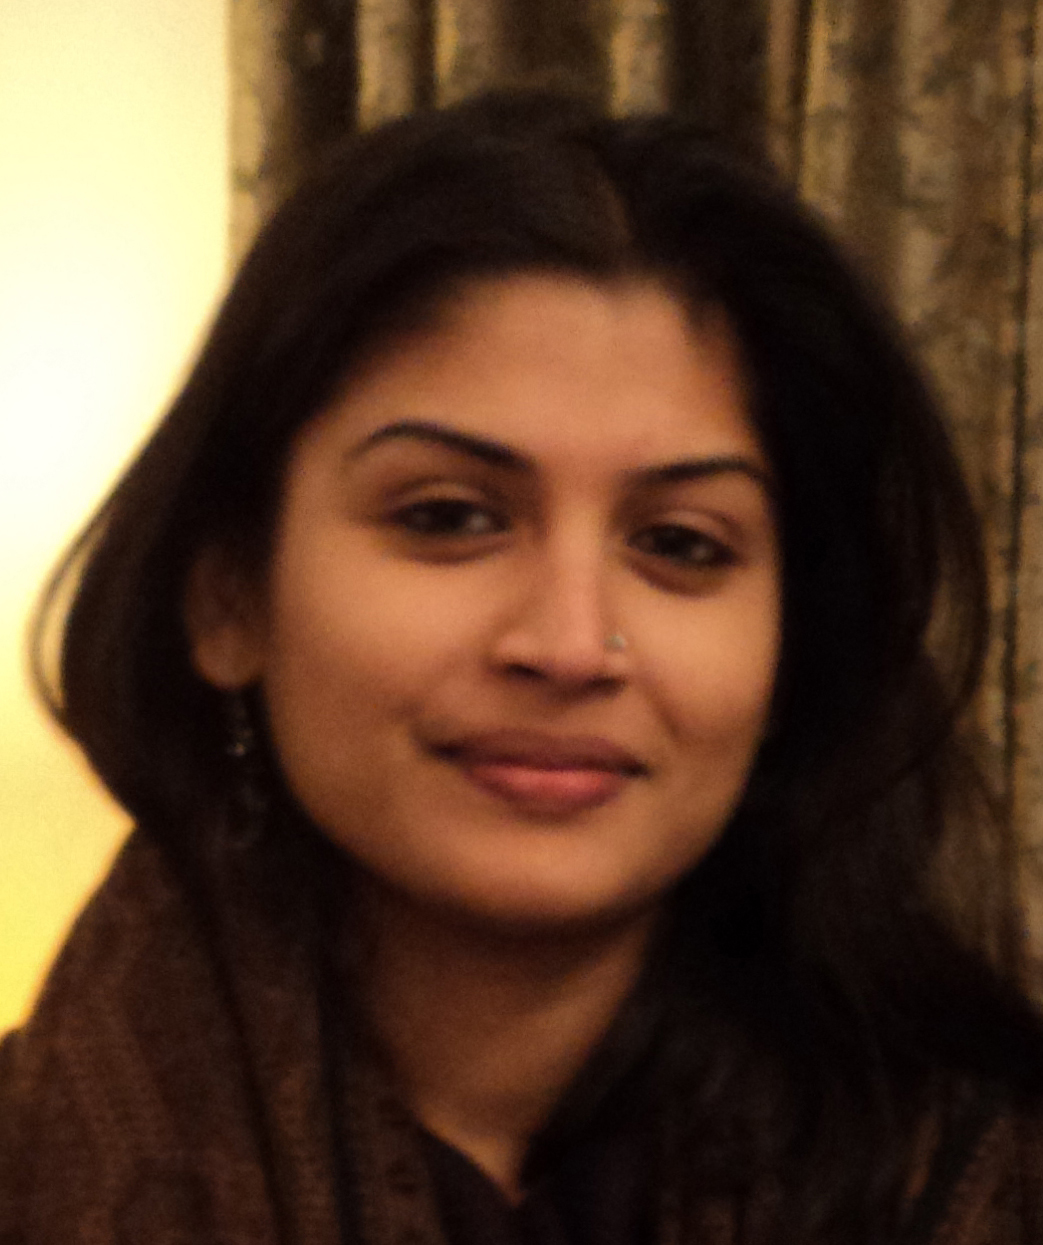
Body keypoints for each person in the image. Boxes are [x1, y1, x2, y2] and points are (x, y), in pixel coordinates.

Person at [2, 88, 1042, 1245]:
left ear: (793, 644)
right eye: (448, 518)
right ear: (228, 598)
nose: (566, 645)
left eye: (680, 544)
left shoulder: (986, 1177)